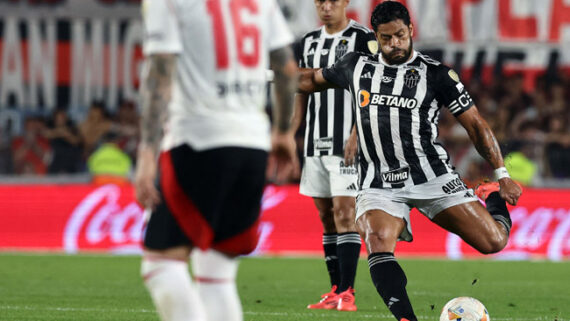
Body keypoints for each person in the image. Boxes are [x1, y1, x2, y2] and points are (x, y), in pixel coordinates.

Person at [297, 2, 522, 321]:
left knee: (494, 242)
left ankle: (491, 198)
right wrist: (264, 75)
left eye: (400, 35)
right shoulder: (355, 66)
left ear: (411, 30)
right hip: (379, 183)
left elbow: (476, 125)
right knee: (377, 239)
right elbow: (309, 80)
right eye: (386, 38)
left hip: (432, 177)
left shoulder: (436, 73)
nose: (394, 44)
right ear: (375, 35)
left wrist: (501, 175)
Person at [135, 1, 299, 321]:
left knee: (160, 265)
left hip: (198, 138)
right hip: (252, 143)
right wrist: (281, 132)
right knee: (217, 274)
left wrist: (145, 153)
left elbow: (160, 70)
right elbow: (285, 66)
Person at [291, 0, 377, 312]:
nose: (326, 7)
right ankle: (334, 290)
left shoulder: (362, 38)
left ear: (345, 3)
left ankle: (348, 292)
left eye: (333, 1)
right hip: (315, 142)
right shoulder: (309, 41)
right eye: (320, 2)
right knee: (326, 218)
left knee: (344, 214)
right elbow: (301, 89)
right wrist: (290, 133)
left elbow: (368, 87)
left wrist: (357, 132)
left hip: (347, 142)